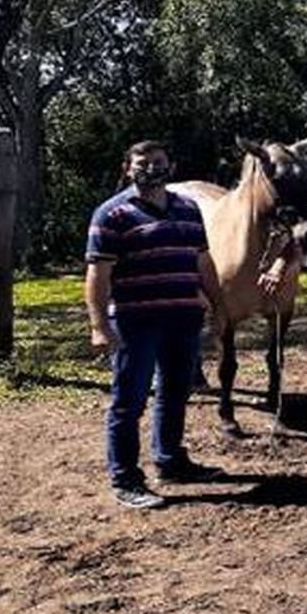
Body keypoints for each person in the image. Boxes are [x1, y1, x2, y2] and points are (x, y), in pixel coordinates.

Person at [86, 140, 225, 510]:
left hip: (183, 317)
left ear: (171, 165)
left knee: (176, 392)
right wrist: (99, 325)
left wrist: (218, 303)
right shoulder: (112, 214)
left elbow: (203, 263)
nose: (151, 168)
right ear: (127, 168)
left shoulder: (189, 209)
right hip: (136, 321)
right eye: (142, 163)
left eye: (159, 162)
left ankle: (170, 461)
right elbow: (98, 274)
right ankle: (126, 477)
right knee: (128, 402)